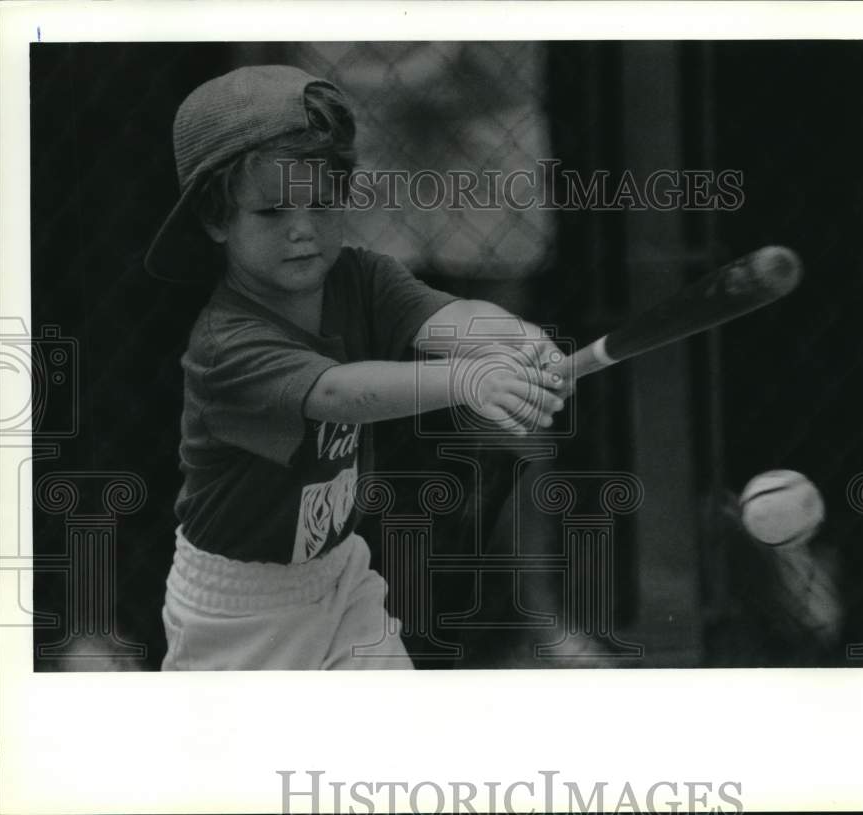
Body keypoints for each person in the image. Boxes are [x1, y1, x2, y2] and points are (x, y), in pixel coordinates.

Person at [144, 64, 569, 670]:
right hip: (237, 612)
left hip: (341, 572)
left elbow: (450, 318)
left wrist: (514, 338)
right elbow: (342, 392)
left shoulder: (360, 277)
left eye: (322, 203)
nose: (303, 231)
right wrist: (468, 379)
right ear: (217, 221)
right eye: (271, 213)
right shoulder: (226, 341)